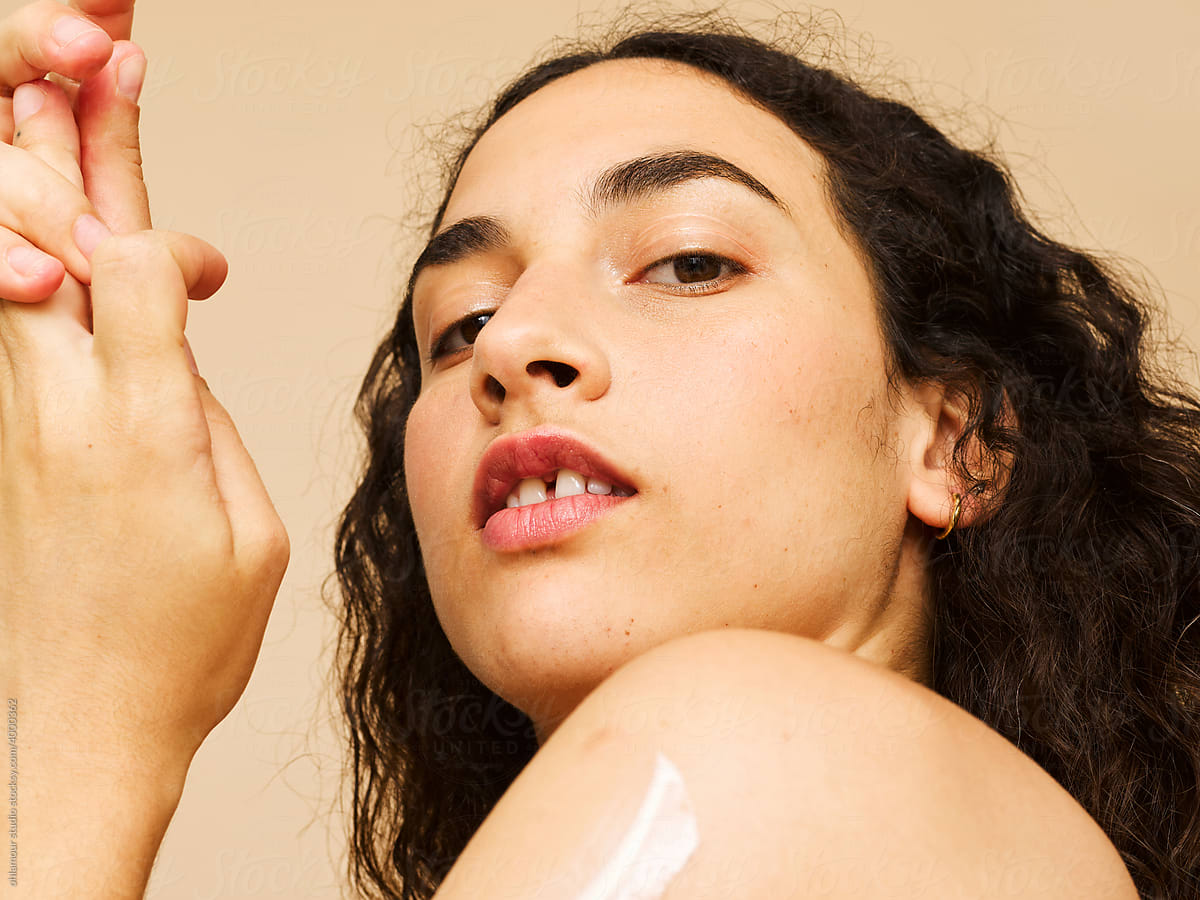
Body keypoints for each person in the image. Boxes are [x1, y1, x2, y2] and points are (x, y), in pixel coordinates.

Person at [1, 2, 1195, 898]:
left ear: (956, 443)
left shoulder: (749, 738)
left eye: (689, 262)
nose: (511, 342)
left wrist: (83, 710)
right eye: (459, 323)